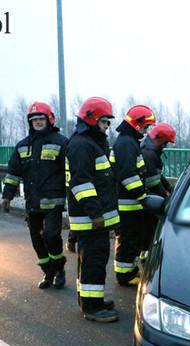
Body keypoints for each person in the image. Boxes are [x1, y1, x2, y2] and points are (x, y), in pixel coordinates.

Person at [2, 102, 68, 289]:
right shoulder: (23, 146)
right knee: (37, 240)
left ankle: (59, 269)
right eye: (34, 119)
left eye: (41, 119)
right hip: (32, 202)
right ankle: (48, 272)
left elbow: (69, 171)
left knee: (51, 236)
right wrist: (7, 195)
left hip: (53, 201)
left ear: (49, 120)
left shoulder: (61, 142)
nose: (38, 122)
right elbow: (13, 172)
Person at [66, 97, 120, 322]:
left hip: (92, 218)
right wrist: (95, 214)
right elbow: (82, 184)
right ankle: (92, 307)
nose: (107, 126)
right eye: (105, 121)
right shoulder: (82, 146)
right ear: (92, 120)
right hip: (90, 219)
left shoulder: (91, 143)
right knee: (94, 261)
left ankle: (89, 300)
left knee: (89, 260)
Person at [110, 104, 156, 286]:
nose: (146, 131)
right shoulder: (127, 144)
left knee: (130, 239)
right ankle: (125, 275)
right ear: (137, 124)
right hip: (126, 204)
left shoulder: (128, 142)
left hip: (128, 203)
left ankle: (128, 271)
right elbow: (128, 175)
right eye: (145, 126)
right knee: (127, 240)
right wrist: (142, 196)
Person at [141, 122, 176, 198]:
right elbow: (153, 183)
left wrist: (170, 188)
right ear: (161, 140)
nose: (165, 146)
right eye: (166, 143)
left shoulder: (150, 149)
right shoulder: (149, 154)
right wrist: (167, 198)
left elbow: (157, 176)